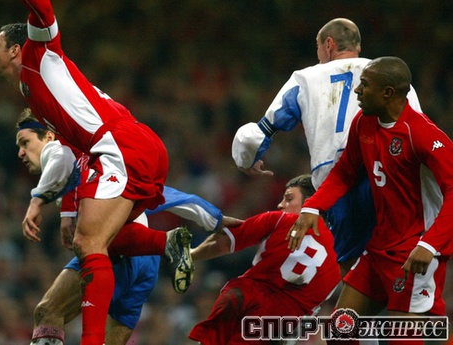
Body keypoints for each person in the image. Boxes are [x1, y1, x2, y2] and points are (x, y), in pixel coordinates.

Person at [0, 0, 173, 344]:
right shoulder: (32, 95)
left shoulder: (40, 53)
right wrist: (65, 209)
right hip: (125, 148)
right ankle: (168, 243)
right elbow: (73, 153)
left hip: (120, 146)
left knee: (88, 241)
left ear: (16, 49)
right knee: (97, 242)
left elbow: (41, 3)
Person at [14, 108, 237, 344]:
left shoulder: (71, 154)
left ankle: (164, 242)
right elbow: (164, 195)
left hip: (117, 250)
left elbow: (63, 164)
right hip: (146, 262)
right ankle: (165, 242)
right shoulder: (98, 161)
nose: (20, 153)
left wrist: (41, 202)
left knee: (48, 312)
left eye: (25, 142)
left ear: (49, 135)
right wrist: (215, 218)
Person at [232, 18, 421, 275]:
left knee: (350, 269)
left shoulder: (305, 78)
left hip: (337, 183)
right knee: (398, 263)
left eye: (318, 46)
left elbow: (258, 133)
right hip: (385, 176)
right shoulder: (390, 76)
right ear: (357, 47)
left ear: (328, 44)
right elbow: (415, 132)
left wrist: (247, 160)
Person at [287, 57, 453, 328]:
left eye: (365, 84)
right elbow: (345, 172)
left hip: (414, 251)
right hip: (378, 248)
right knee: (340, 331)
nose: (357, 90)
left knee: (404, 337)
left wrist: (429, 245)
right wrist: (312, 206)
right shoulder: (363, 123)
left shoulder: (421, 134)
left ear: (388, 92)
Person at [189, 174, 340, 344]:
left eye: (289, 199)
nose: (280, 204)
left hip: (245, 296)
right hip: (280, 323)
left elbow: (224, 242)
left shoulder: (281, 219)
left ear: (308, 203)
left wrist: (190, 255)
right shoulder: (339, 258)